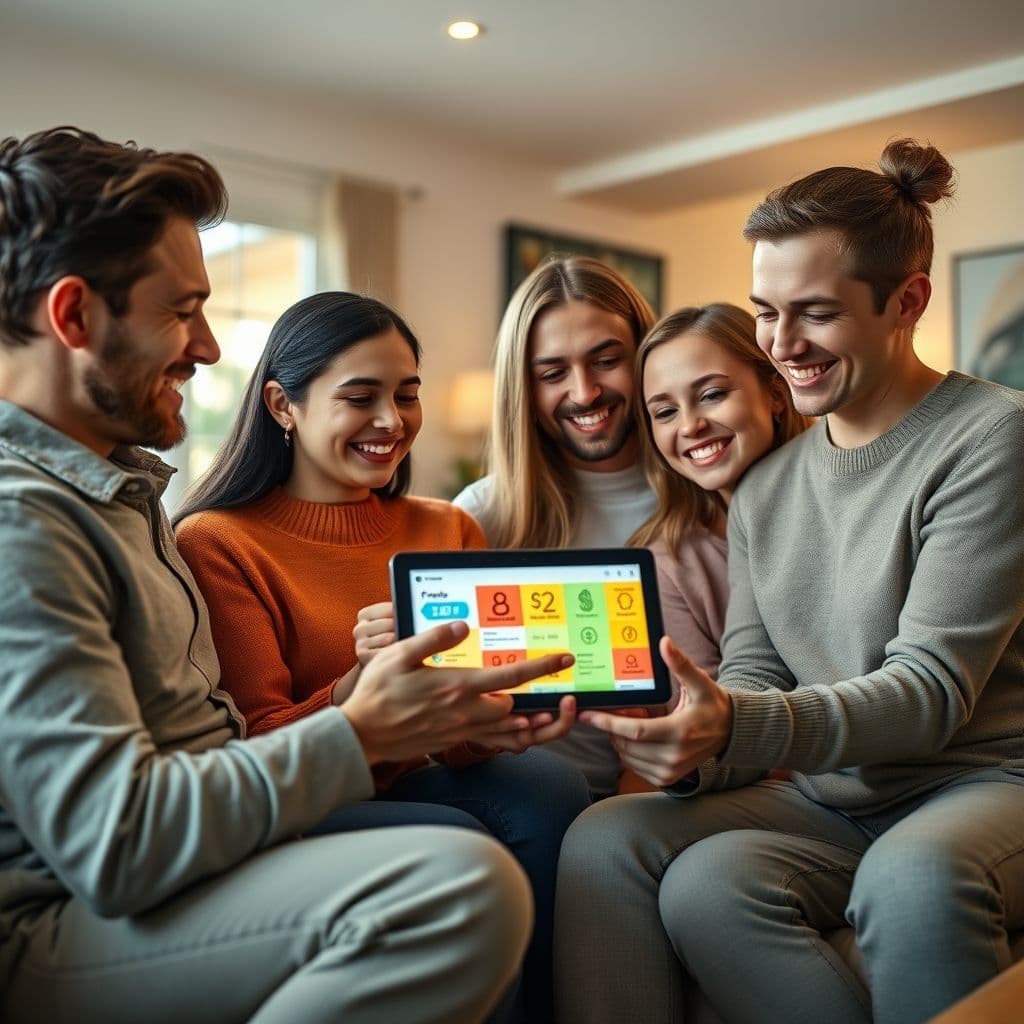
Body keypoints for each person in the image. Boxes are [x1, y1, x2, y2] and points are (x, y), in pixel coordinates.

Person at [0, 125, 576, 1024]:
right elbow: (114, 846)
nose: (207, 347)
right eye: (179, 310)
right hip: (64, 920)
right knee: (455, 882)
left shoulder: (118, 493)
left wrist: (437, 719)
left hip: (201, 851)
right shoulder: (24, 522)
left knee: (524, 812)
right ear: (74, 317)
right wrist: (357, 725)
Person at [554, 138, 1024, 1024]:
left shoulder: (990, 440)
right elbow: (756, 671)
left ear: (906, 301)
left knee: (916, 873)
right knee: (618, 841)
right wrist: (695, 740)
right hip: (838, 797)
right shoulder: (771, 484)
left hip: (986, 782)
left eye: (814, 313)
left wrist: (734, 720)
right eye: (766, 311)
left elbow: (929, 693)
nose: (781, 344)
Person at [173, 290, 590, 1023]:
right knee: (455, 838)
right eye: (360, 397)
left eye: (407, 395)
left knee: (548, 781)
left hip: (404, 782)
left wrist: (495, 724)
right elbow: (253, 746)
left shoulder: (446, 526)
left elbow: (460, 734)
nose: (393, 422)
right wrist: (358, 693)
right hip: (296, 801)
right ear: (282, 405)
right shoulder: (219, 541)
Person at [454, 255, 657, 797]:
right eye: (552, 373)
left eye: (607, 359)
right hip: (538, 797)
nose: (585, 391)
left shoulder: (712, 495)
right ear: (523, 389)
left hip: (679, 791)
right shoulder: (483, 514)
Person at [627, 303, 808, 675]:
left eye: (711, 395)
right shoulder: (669, 565)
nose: (690, 426)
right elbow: (703, 720)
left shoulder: (850, 502)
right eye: (664, 412)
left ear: (775, 393)